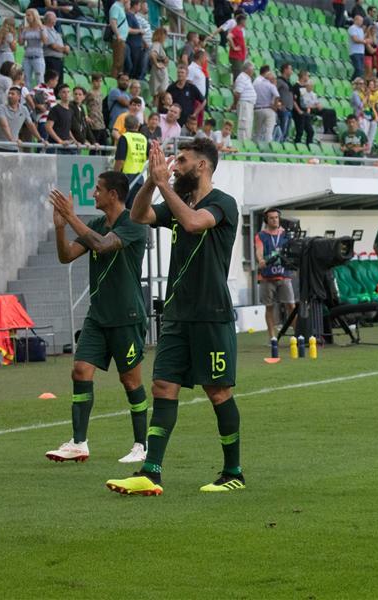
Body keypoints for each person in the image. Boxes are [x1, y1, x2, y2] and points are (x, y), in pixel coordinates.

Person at [109, 138, 243, 495]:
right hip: (177, 314)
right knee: (163, 387)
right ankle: (151, 472)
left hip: (211, 314)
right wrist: (153, 182)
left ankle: (234, 472)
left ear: (202, 166)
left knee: (217, 391)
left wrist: (165, 185)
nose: (175, 163)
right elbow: (138, 216)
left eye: (182, 160)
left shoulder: (222, 203)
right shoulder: (176, 199)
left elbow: (195, 224)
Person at [45, 172, 149, 464]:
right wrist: (60, 227)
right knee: (80, 371)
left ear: (114, 194)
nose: (93, 194)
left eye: (98, 190)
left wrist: (71, 215)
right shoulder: (94, 225)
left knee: (130, 382)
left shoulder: (135, 224)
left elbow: (102, 245)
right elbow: (66, 256)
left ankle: (141, 445)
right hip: (97, 316)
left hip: (127, 316)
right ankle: (79, 443)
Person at [255, 208, 297, 340]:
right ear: (266, 220)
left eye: (276, 217)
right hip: (267, 277)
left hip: (284, 275)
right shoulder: (261, 235)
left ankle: (298, 334)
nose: (274, 220)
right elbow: (259, 250)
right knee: (269, 307)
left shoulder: (286, 234)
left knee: (291, 305)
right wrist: (261, 260)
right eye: (271, 218)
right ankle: (272, 337)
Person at [0, 85, 46, 150]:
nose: (9, 95)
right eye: (9, 93)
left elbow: (31, 125)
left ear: (19, 97)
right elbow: (4, 126)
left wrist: (40, 139)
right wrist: (12, 141)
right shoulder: (1, 108)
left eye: (12, 94)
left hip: (14, 147)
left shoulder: (24, 109)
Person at [113, 113, 149, 204]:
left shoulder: (124, 138)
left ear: (125, 125)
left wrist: (114, 176)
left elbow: (120, 160)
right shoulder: (143, 138)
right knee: (133, 207)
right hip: (139, 177)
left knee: (120, 205)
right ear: (138, 125)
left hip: (126, 177)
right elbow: (149, 156)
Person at [20, 8, 47, 88]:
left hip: (38, 55)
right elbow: (21, 43)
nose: (27, 17)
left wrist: (41, 30)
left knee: (39, 78)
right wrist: (20, 33)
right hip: (27, 56)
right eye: (26, 16)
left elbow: (45, 41)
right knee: (26, 79)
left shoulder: (41, 27)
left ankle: (39, 97)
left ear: (34, 16)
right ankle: (27, 97)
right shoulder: (26, 29)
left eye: (29, 15)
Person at [253, 65, 279, 142]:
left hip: (257, 109)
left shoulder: (256, 84)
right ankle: (267, 150)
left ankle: (254, 148)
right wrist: (275, 107)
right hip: (268, 108)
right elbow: (277, 96)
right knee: (268, 132)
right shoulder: (271, 85)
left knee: (257, 132)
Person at [42, 11, 68, 87]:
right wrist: (64, 49)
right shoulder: (45, 29)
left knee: (59, 82)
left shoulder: (55, 30)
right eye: (54, 18)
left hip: (58, 60)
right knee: (52, 82)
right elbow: (52, 45)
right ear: (49, 19)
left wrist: (66, 48)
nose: (56, 20)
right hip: (51, 60)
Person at [232, 61, 256, 140]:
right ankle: (242, 143)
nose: (253, 71)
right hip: (244, 104)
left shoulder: (246, 78)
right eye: (252, 69)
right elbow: (237, 93)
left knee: (248, 126)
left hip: (248, 104)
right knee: (244, 125)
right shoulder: (242, 77)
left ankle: (246, 143)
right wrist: (235, 104)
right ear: (247, 69)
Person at [109, 0, 130, 78]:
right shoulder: (116, 7)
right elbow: (113, 21)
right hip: (119, 39)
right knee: (118, 63)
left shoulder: (120, 7)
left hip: (122, 39)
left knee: (121, 63)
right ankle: (114, 79)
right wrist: (118, 35)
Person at [148, 27, 169, 101]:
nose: (166, 38)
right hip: (159, 71)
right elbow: (153, 54)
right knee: (159, 94)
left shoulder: (158, 44)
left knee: (159, 94)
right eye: (164, 35)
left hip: (159, 70)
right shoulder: (157, 44)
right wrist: (157, 64)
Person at [348, 15, 366, 80]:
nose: (362, 22)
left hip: (361, 52)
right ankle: (352, 81)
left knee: (361, 70)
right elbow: (355, 39)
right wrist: (364, 41)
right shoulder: (352, 28)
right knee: (358, 69)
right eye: (360, 20)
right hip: (355, 52)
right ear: (356, 20)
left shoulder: (361, 29)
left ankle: (356, 82)